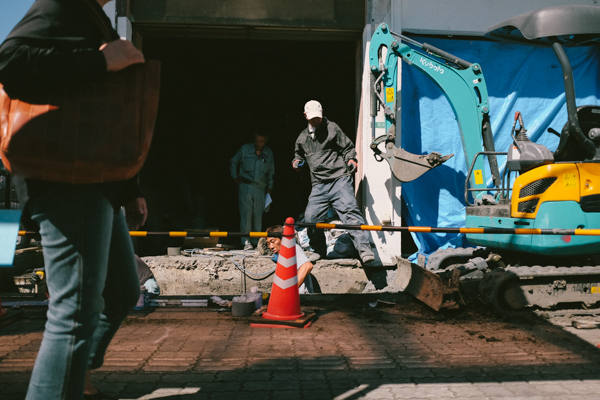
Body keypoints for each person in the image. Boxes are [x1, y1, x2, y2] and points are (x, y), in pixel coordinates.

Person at [0, 1, 148, 398]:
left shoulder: (92, 16)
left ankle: (75, 368)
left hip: (97, 180)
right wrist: (100, 61)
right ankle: (67, 370)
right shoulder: (63, 4)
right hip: (66, 177)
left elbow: (102, 114)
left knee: (121, 291)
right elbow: (11, 62)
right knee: (74, 314)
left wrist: (129, 189)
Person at [292, 100, 376, 264]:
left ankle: (365, 250)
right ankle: (318, 250)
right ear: (305, 116)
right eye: (312, 118)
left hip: (339, 180)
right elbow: (298, 156)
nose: (316, 120)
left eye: (318, 117)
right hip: (319, 185)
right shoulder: (302, 138)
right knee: (310, 218)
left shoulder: (332, 128)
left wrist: (351, 160)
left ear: (322, 112)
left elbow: (347, 148)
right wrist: (296, 163)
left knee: (350, 213)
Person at [230, 133, 275, 250]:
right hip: (245, 185)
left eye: (261, 141)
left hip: (260, 188)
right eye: (257, 141)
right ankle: (245, 241)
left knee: (258, 215)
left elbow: (271, 173)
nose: (258, 144)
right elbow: (233, 162)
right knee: (246, 214)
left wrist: (269, 189)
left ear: (265, 141)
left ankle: (255, 241)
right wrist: (235, 177)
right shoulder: (245, 149)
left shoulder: (268, 153)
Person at [266, 225, 314, 294]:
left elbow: (307, 266)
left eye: (273, 241)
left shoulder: (292, 248)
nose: (271, 246)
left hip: (302, 298)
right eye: (268, 243)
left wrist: (291, 290)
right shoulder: (281, 255)